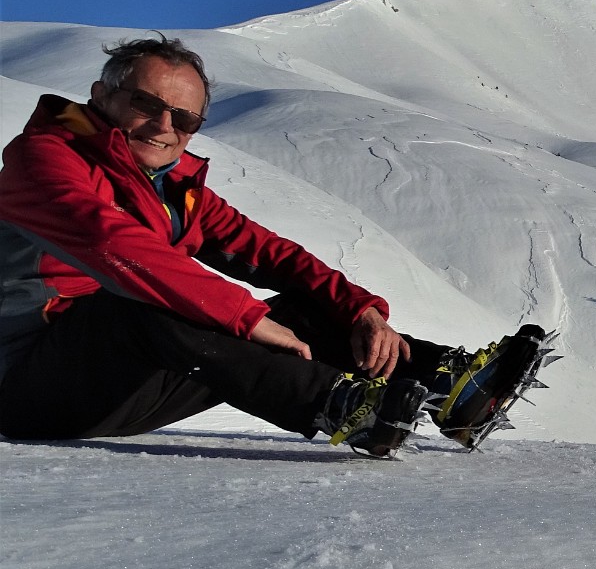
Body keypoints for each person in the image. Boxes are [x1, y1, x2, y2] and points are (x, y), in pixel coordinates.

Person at [0, 35, 546, 457]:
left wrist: (359, 309)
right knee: (142, 303)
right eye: (145, 102)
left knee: (306, 307)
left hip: (116, 387)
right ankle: (337, 404)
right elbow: (112, 244)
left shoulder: (173, 189)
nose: (164, 125)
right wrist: (243, 317)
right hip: (25, 386)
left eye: (185, 117)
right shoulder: (45, 159)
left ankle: (450, 388)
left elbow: (269, 254)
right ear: (101, 96)